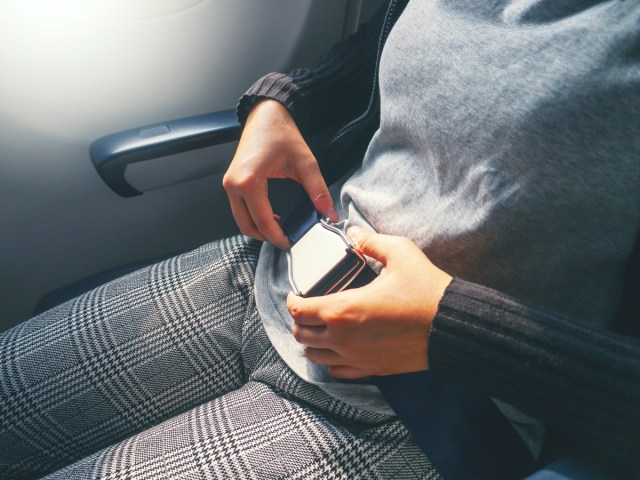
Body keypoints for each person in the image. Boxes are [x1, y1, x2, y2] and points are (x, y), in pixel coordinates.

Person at [1, 0, 638, 478]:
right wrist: (284, 102)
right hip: (275, 268)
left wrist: (451, 328)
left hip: (432, 399)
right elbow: (397, 53)